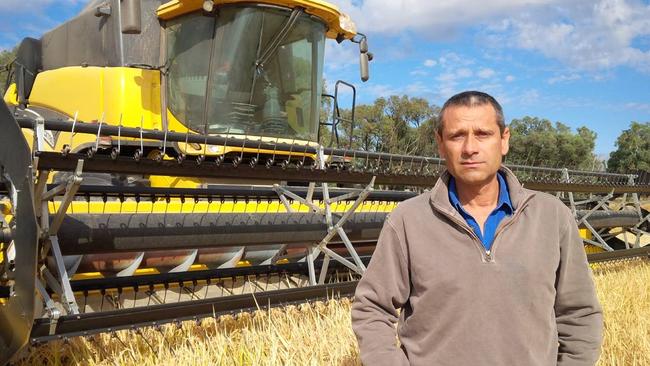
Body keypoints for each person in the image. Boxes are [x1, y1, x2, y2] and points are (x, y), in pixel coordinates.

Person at [351, 91, 603, 366]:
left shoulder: (552, 217)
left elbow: (579, 314)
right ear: (440, 144)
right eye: (457, 136)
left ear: (504, 140)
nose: (470, 147)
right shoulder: (407, 221)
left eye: (482, 134)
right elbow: (372, 308)